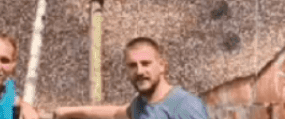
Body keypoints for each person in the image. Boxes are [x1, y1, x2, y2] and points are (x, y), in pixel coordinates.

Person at [53, 37, 209, 119]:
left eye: (146, 63)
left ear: (162, 66)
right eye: (132, 65)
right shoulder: (140, 106)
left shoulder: (184, 105)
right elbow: (115, 113)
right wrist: (68, 111)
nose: (140, 71)